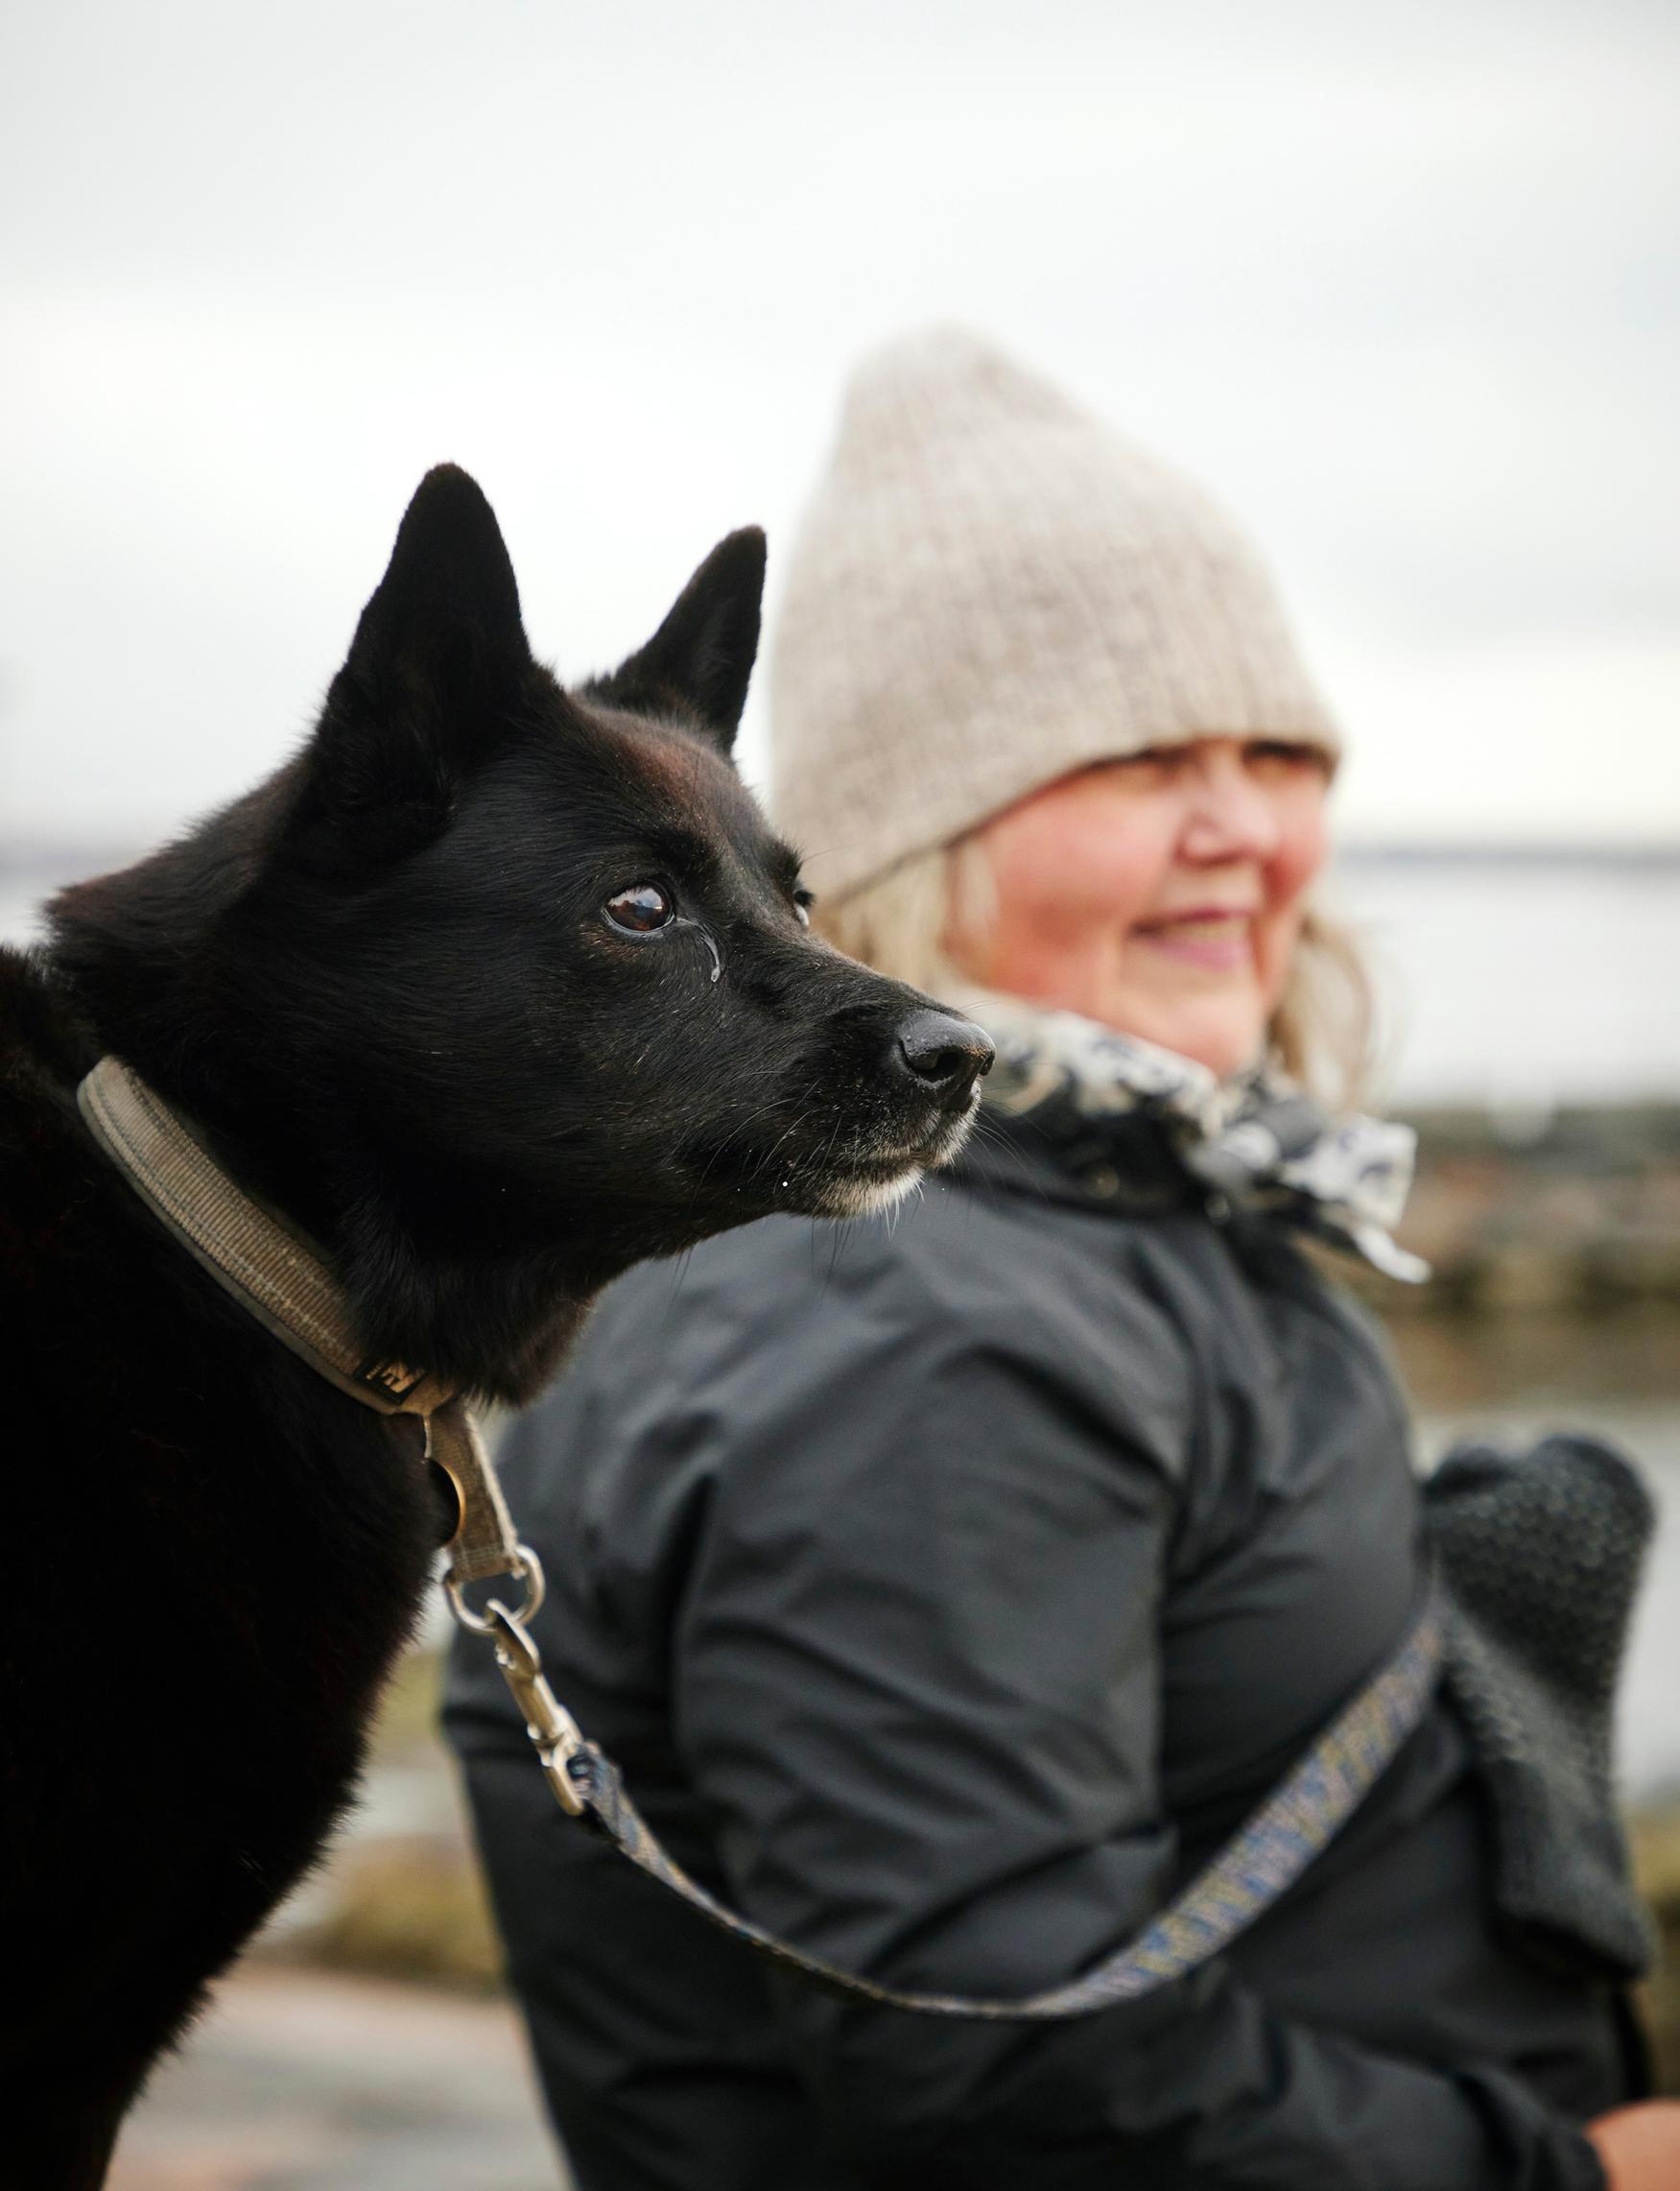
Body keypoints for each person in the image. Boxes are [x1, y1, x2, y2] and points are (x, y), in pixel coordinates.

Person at [443, 327, 1670, 2190]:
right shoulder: (906, 1306)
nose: (1243, 829)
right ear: (920, 840)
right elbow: (998, 2078)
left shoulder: (1105, 1200)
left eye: (1277, 751)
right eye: (1137, 761)